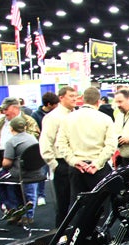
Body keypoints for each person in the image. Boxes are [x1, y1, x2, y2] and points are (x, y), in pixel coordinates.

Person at [57, 87, 119, 202]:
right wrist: (97, 163)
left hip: (77, 169)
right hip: (98, 170)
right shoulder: (106, 119)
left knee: (77, 206)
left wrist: (74, 161)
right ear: (98, 101)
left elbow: (61, 144)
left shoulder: (68, 119)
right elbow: (111, 145)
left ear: (83, 99)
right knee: (101, 207)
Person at [40, 86, 78, 227]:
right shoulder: (53, 117)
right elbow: (45, 143)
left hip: (77, 162)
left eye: (76, 96)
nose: (74, 98)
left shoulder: (77, 115)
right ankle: (60, 238)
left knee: (77, 203)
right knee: (63, 205)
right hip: (62, 163)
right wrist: (54, 165)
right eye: (71, 96)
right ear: (61, 98)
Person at [0, 116, 41, 225]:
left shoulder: (11, 142)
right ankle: (24, 213)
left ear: (11, 128)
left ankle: (11, 208)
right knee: (11, 184)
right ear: (25, 127)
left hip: (20, 173)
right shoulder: (32, 138)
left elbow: (6, 163)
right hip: (37, 172)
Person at [0, 97, 40, 168]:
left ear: (16, 108)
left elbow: (32, 140)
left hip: (22, 162)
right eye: (3, 110)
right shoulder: (1, 121)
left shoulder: (28, 121)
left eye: (6, 109)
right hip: (3, 160)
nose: (4, 112)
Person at [30, 92, 60, 206]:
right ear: (49, 104)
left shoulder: (57, 115)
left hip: (57, 149)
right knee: (42, 173)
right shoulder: (35, 116)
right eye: (55, 104)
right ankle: (40, 195)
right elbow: (36, 132)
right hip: (43, 148)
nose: (57, 106)